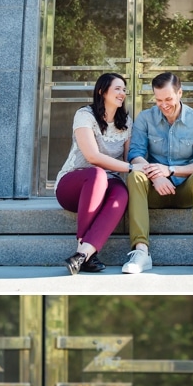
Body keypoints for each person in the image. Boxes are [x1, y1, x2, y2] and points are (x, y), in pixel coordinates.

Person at [123, 72, 193, 275]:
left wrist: (170, 170)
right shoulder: (145, 119)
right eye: (158, 100)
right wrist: (156, 176)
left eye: (168, 99)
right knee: (134, 175)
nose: (163, 104)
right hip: (154, 191)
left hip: (185, 191)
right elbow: (135, 155)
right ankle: (141, 252)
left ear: (179, 93)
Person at [53, 73, 133, 275]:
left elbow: (129, 158)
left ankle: (82, 255)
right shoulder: (85, 115)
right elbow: (92, 156)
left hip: (109, 181)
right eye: (117, 88)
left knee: (121, 193)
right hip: (75, 184)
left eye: (124, 89)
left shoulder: (127, 122)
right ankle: (84, 247)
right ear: (101, 91)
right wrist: (131, 168)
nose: (122, 93)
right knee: (97, 174)